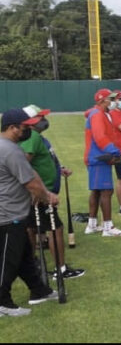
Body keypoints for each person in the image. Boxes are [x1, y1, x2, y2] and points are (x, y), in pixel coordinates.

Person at [0, 108, 59, 317]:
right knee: (8, 261)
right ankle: (2, 302)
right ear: (12, 128)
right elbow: (30, 183)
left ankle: (39, 290)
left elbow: (30, 172)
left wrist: (45, 192)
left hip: (15, 212)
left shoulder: (9, 147)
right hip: (8, 215)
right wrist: (47, 197)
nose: (29, 130)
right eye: (25, 127)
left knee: (24, 256)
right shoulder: (10, 150)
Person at [20, 105, 84, 280]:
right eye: (40, 117)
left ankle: (32, 265)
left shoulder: (37, 136)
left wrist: (59, 168)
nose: (44, 120)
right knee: (55, 229)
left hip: (41, 191)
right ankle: (60, 269)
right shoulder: (32, 136)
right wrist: (36, 190)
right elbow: (23, 165)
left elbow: (44, 159)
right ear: (31, 121)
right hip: (41, 193)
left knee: (32, 228)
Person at [84, 88, 121, 237]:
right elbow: (100, 137)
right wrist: (114, 151)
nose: (114, 102)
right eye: (111, 99)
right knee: (106, 191)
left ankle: (92, 225)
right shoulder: (97, 115)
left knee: (97, 191)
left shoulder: (100, 113)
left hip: (98, 157)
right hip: (99, 158)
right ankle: (108, 228)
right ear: (102, 100)